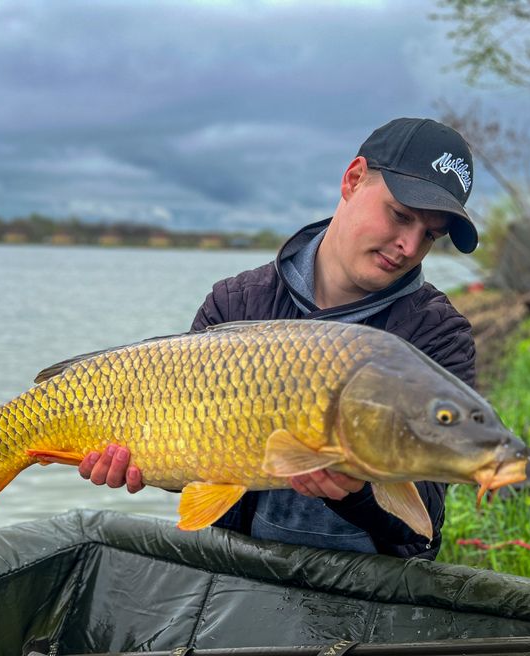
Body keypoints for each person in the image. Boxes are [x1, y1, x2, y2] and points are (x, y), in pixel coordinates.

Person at [77, 117, 479, 559]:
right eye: (400, 216)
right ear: (353, 179)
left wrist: (356, 491)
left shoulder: (437, 334)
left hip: (369, 587)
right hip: (239, 572)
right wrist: (142, 462)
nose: (408, 245)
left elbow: (423, 524)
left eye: (430, 235)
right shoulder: (237, 302)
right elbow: (192, 466)